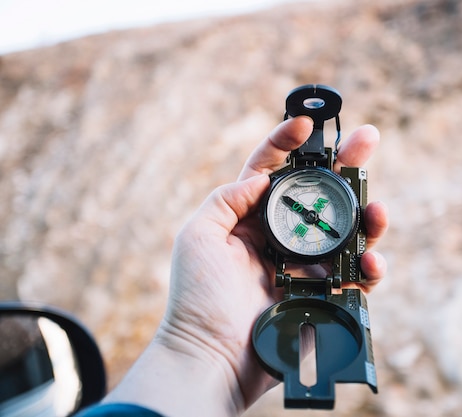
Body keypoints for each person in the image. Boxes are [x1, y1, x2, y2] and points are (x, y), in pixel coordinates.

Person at [78, 116, 389, 416]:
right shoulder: (276, 219)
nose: (310, 216)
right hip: (286, 264)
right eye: (305, 212)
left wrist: (198, 350)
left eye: (316, 211)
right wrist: (201, 342)